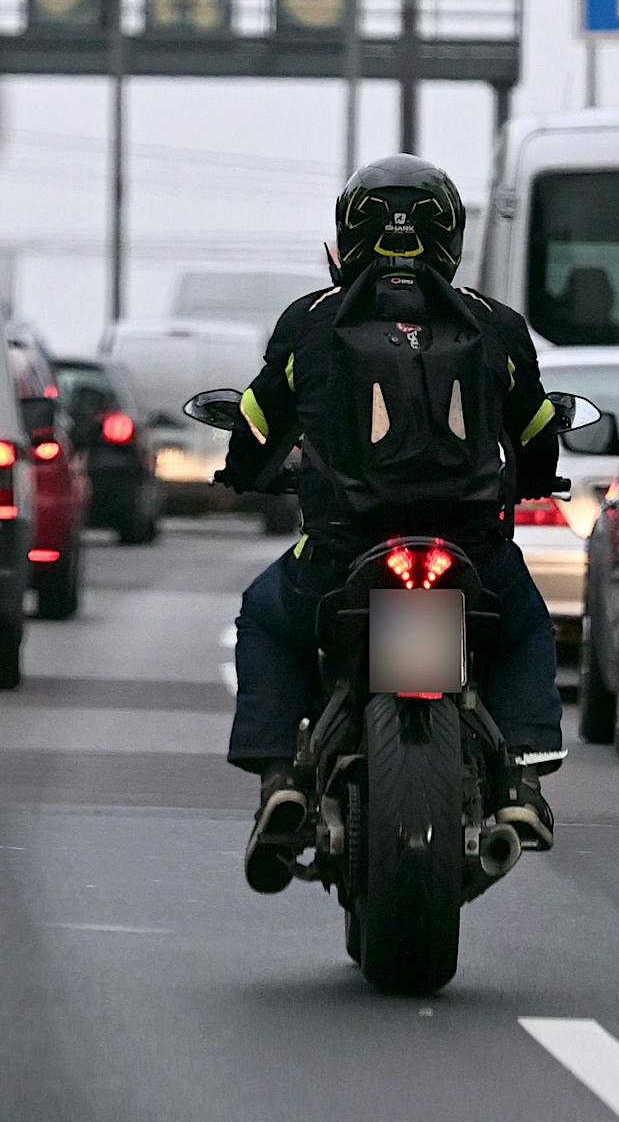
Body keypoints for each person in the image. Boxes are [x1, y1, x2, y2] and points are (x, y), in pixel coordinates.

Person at [219, 154, 565, 894]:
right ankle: (523, 781)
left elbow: (255, 423)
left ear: (346, 236)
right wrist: (537, 480)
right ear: (452, 239)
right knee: (525, 626)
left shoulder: (310, 322)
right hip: (471, 551)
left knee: (267, 618)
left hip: (341, 552)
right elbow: (537, 429)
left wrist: (241, 476)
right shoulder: (495, 324)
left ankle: (281, 775)